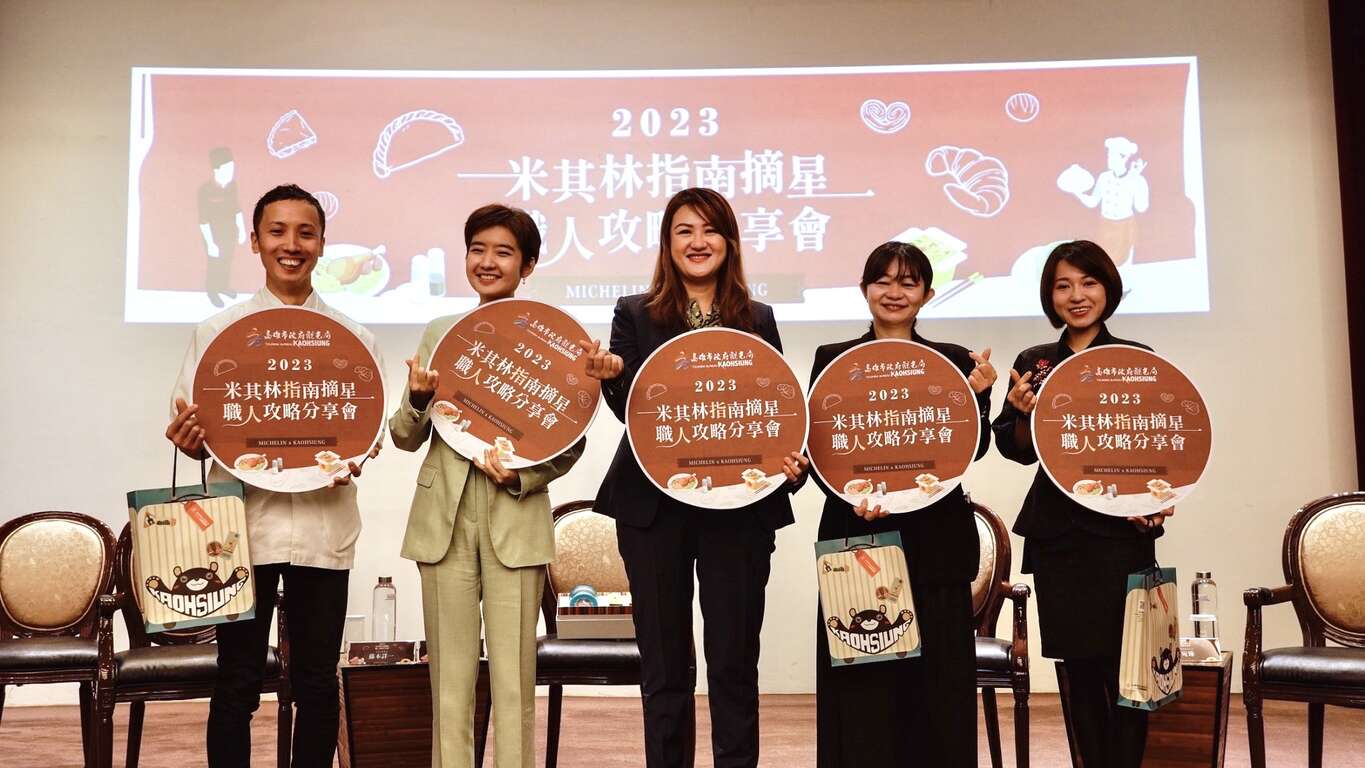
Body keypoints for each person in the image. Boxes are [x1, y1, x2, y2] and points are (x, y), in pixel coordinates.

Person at [579, 187, 808, 768]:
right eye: (684, 230)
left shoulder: (758, 317)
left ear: (729, 242)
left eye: (710, 230)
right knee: (664, 667)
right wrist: (611, 376)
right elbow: (632, 410)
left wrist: (791, 469)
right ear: (667, 242)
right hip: (653, 509)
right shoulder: (634, 312)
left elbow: (776, 407)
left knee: (734, 662)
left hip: (740, 509)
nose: (697, 242)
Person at [166, 183, 382, 767]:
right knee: (236, 680)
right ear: (255, 241)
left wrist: (358, 454)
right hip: (241, 531)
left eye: (306, 233)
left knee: (316, 681)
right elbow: (197, 430)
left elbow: (367, 431)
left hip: (322, 528)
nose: (292, 244)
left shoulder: (354, 339)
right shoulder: (218, 333)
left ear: (322, 243)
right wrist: (189, 439)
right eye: (278, 231)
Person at [390, 204, 584, 768]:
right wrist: (418, 399)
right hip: (443, 523)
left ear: (529, 265)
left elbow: (570, 440)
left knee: (514, 681)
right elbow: (403, 435)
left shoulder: (554, 340)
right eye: (477, 249)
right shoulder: (441, 333)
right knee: (449, 682)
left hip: (515, 518)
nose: (487, 262)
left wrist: (524, 476)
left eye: (503, 252)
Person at [810, 242, 994, 767]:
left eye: (908, 283)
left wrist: (979, 398)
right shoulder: (832, 358)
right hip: (858, 536)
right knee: (863, 689)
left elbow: (972, 448)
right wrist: (851, 496)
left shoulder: (954, 359)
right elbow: (821, 446)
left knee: (937, 690)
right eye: (883, 281)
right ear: (864, 289)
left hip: (935, 542)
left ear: (927, 295)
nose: (895, 292)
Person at [992, 239, 1172, 768]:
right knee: (1080, 670)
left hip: (1122, 534)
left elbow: (1160, 444)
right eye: (1063, 285)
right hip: (1060, 538)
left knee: (1132, 672)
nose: (1077, 296)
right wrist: (1022, 413)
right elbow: (1017, 450)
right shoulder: (1034, 362)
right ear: (1050, 296)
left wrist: (1158, 501)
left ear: (1107, 288)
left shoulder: (1135, 358)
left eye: (1088, 283)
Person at [198, 147, 247, 308]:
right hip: (214, 235)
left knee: (227, 262)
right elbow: (203, 220)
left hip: (229, 233)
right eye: (227, 169)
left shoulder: (232, 186)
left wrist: (242, 230)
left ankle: (223, 287)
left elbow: (237, 209)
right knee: (214, 264)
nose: (231, 172)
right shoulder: (205, 190)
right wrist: (210, 243)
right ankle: (212, 291)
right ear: (216, 170)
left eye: (232, 168)